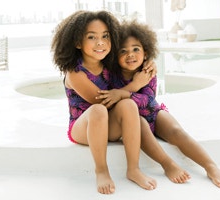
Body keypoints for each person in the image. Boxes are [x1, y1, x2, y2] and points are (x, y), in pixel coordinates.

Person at [97, 20, 220, 188]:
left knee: (176, 131)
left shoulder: (147, 71)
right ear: (115, 56)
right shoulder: (111, 75)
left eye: (136, 49)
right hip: (135, 122)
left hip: (153, 112)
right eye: (123, 51)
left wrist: (123, 93)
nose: (130, 54)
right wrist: (127, 92)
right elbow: (114, 105)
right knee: (142, 127)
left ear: (146, 53)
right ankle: (168, 165)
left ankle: (210, 166)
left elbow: (147, 100)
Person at [51, 11, 157, 195]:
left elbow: (131, 62)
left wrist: (149, 64)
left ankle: (133, 169)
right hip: (82, 128)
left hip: (108, 126)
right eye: (92, 37)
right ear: (77, 42)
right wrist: (136, 84)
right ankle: (101, 170)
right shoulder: (75, 72)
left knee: (128, 105)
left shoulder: (108, 63)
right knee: (98, 109)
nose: (100, 42)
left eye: (105, 36)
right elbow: (101, 101)